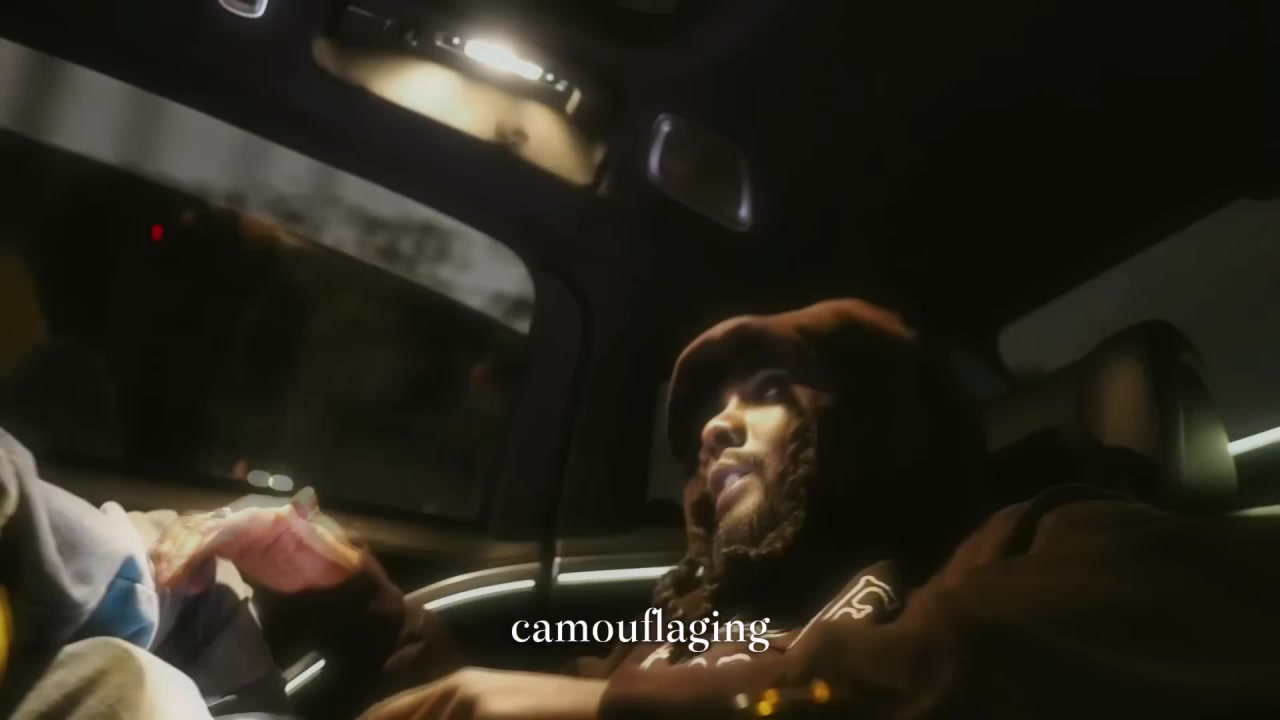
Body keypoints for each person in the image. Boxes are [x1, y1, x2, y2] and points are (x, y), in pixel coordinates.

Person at [146, 298, 1280, 720]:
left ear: (869, 424)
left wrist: (607, 709)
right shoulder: (688, 620)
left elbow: (979, 671)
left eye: (768, 392)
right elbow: (486, 702)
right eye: (706, 415)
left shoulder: (1044, 545)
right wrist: (353, 597)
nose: (714, 430)